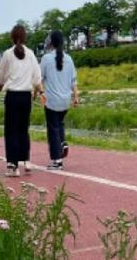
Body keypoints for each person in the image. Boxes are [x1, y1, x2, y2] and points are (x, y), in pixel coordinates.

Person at [0, 24, 43, 177]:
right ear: (24, 37)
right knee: (24, 129)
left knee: (11, 130)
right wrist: (40, 91)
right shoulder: (31, 54)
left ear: (12, 37)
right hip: (26, 97)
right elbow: (37, 76)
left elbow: (1, 73)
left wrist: (0, 84)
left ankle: (13, 165)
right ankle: (26, 160)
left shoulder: (7, 54)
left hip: (12, 96)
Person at [40, 30, 79, 170]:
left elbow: (39, 78)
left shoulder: (46, 58)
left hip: (51, 100)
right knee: (59, 124)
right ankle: (62, 143)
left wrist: (38, 93)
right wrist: (76, 97)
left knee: (53, 129)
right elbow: (74, 81)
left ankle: (57, 160)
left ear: (50, 42)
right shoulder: (69, 58)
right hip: (65, 100)